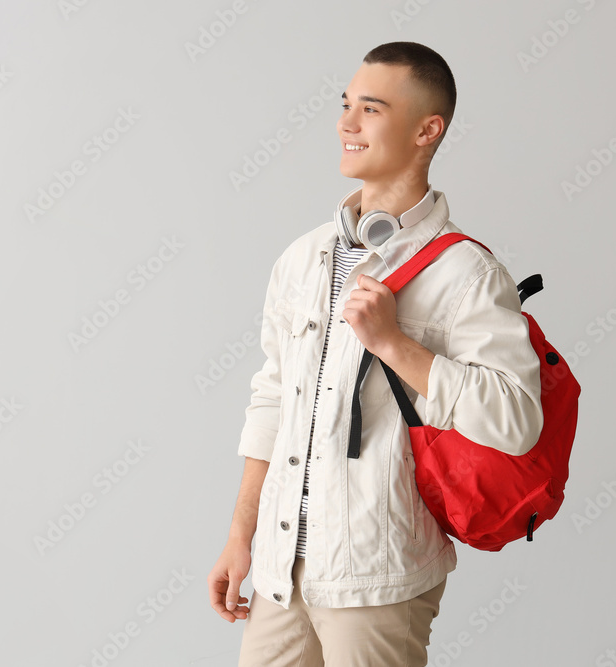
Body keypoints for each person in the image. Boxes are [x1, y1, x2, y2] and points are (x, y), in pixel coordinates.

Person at [208, 41, 545, 667]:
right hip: (283, 569)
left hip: (377, 577)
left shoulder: (465, 273)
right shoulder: (302, 259)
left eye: (371, 108)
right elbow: (273, 399)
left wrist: (393, 344)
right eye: (345, 105)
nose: (346, 123)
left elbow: (517, 419)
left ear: (427, 129)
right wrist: (240, 537)